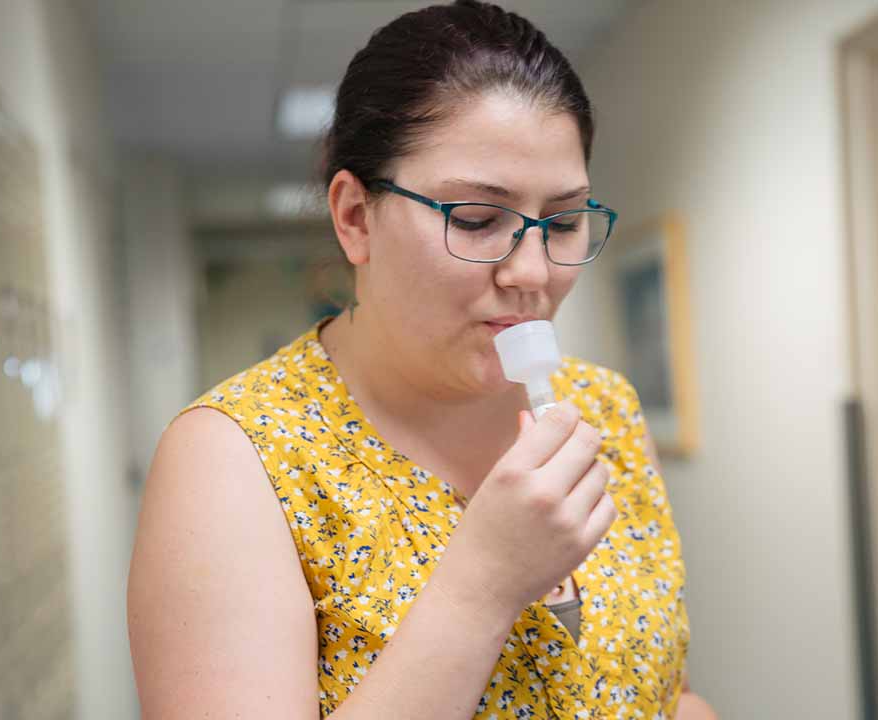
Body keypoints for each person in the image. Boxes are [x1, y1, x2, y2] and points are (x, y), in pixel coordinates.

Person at [127, 2, 716, 718]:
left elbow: (666, 690)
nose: (532, 271)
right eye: (475, 219)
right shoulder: (235, 458)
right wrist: (484, 583)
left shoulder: (606, 408)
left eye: (562, 222)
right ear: (354, 217)